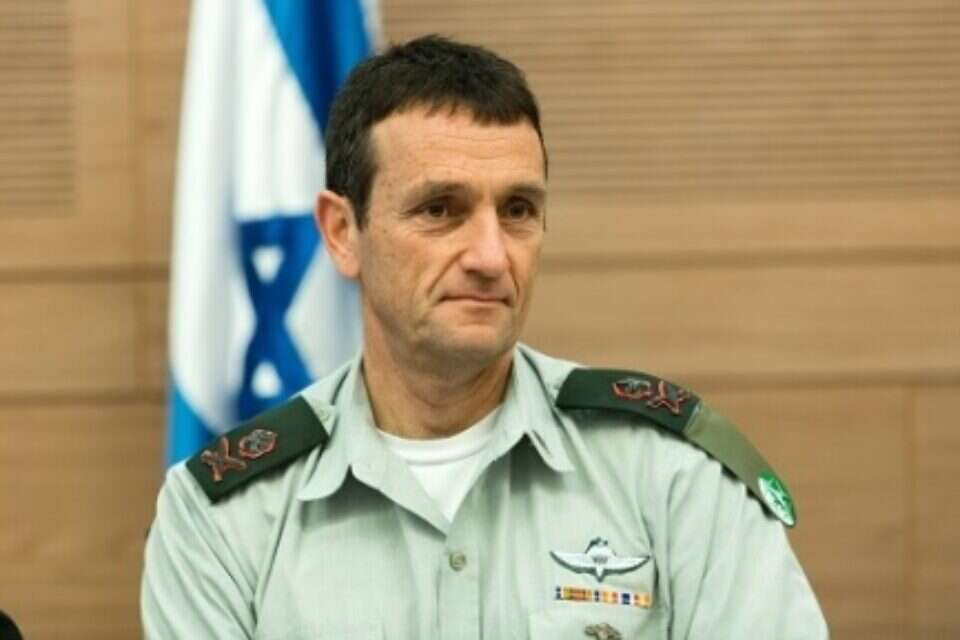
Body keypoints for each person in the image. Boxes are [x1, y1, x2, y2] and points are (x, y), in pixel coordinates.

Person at [142, 35, 828, 638]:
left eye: (518, 209)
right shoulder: (224, 516)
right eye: (441, 209)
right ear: (343, 233)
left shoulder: (672, 473)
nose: (492, 257)